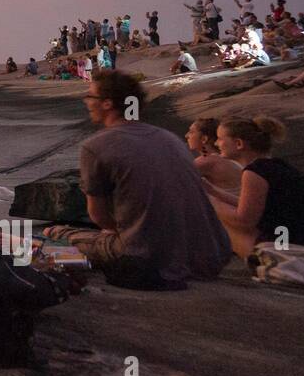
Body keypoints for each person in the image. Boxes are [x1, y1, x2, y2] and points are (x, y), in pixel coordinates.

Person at [43, 71, 232, 289]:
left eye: (90, 97)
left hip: (150, 259)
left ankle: (58, 233)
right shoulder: (170, 138)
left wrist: (118, 230)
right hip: (210, 256)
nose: (86, 102)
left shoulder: (96, 147)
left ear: (106, 104)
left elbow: (99, 216)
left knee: (58, 233)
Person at [203, 116, 304, 258]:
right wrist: (212, 191)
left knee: (221, 218)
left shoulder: (254, 172)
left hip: (290, 252)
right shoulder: (275, 166)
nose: (216, 143)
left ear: (239, 143)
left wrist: (211, 203)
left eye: (220, 138)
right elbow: (249, 206)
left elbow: (244, 221)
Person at [185, 117, 241, 197]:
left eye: (191, 132)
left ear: (204, 139)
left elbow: (174, 179)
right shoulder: (227, 158)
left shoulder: (207, 162)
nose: (186, 135)